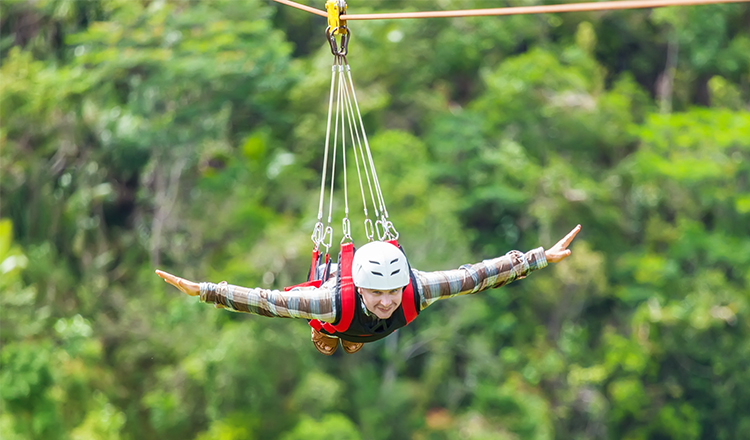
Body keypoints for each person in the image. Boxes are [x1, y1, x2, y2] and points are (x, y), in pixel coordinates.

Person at [156, 225, 581, 355]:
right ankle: (329, 335)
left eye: (392, 292)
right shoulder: (328, 300)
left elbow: (476, 275)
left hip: (357, 324)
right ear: (359, 289)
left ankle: (346, 338)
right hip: (337, 319)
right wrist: (206, 291)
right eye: (377, 294)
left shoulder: (417, 289)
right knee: (333, 331)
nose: (386, 301)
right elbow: (268, 301)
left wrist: (539, 256)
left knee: (363, 330)